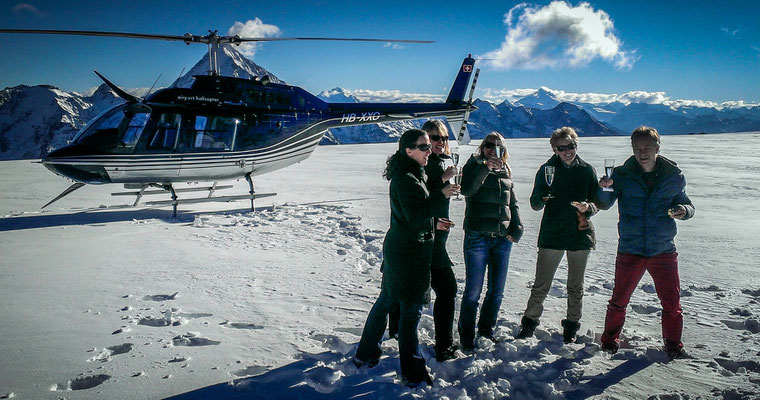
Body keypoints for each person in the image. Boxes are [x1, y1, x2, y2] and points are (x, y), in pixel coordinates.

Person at [354, 129, 459, 387]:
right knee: (411, 310)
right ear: (408, 151)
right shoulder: (406, 179)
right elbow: (415, 215)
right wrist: (442, 194)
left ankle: (366, 354)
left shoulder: (412, 175)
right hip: (409, 254)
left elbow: (413, 214)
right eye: (423, 147)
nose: (429, 150)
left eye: (429, 146)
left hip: (403, 250)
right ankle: (413, 373)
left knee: (388, 301)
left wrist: (435, 223)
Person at [596, 126, 695, 358]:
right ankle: (609, 340)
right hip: (631, 247)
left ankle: (673, 345)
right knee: (619, 299)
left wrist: (684, 210)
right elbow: (604, 203)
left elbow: (687, 204)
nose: (642, 153)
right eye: (637, 148)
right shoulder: (621, 174)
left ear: (657, 148)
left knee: (672, 302)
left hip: (663, 248)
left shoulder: (674, 176)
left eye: (647, 148)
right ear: (632, 149)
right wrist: (604, 187)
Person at [516, 127, 599, 343]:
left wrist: (587, 207)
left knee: (575, 286)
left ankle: (571, 326)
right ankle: (529, 323)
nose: (566, 151)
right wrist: (541, 198)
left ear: (576, 144)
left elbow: (597, 202)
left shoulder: (587, 170)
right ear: (554, 149)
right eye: (561, 148)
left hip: (579, 233)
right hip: (552, 234)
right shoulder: (546, 170)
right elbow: (534, 204)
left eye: (570, 146)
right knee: (541, 284)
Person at [458, 132, 523, 351]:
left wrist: (517, 227)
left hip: (502, 239)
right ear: (482, 147)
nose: (493, 149)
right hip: (477, 236)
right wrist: (486, 167)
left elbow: (511, 203)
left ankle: (486, 330)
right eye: (489, 145)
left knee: (496, 291)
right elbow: (467, 190)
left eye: (498, 146)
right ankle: (466, 337)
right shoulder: (474, 165)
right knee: (473, 292)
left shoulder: (506, 169)